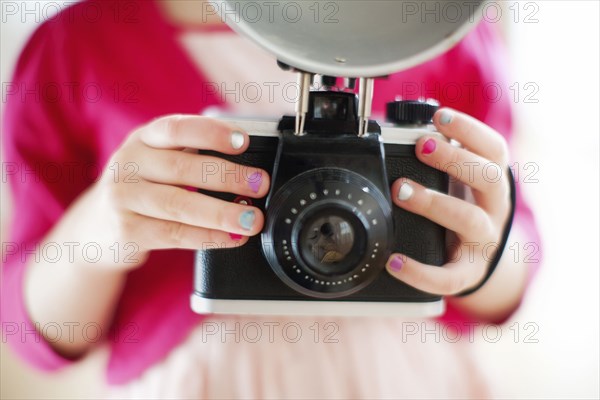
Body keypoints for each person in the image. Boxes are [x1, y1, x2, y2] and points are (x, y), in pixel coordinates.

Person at [1, 1, 541, 398]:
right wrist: (100, 229)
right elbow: (27, 329)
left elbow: (512, 270)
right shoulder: (79, 46)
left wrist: (482, 256)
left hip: (409, 379)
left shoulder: (436, 26)